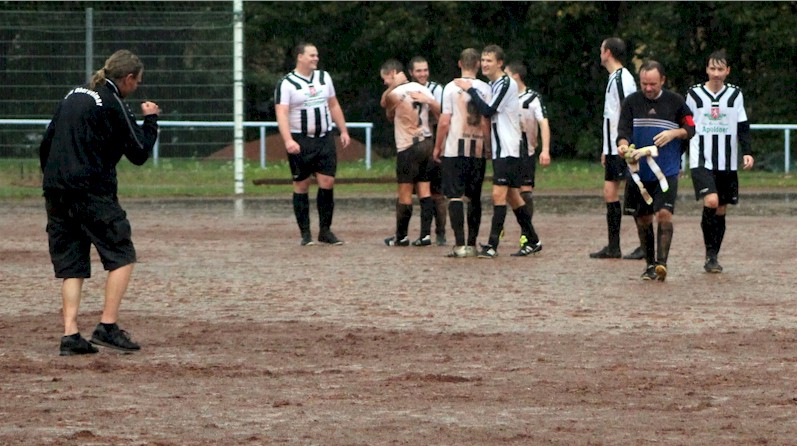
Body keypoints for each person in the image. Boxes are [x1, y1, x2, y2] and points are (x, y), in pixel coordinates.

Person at [38, 49, 160, 356]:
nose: (137, 86)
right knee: (122, 254)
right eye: (138, 81)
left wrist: (54, 178)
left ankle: (70, 335)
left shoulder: (73, 95)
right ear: (129, 78)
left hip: (56, 191)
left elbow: (46, 143)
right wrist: (151, 119)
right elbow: (139, 152)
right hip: (91, 192)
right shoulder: (112, 102)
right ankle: (107, 326)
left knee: (72, 264)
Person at [454, 45, 538, 258]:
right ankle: (534, 240)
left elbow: (488, 110)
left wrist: (469, 89)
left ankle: (492, 245)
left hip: (509, 147)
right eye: (482, 60)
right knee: (513, 197)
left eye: (489, 60)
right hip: (502, 148)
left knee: (498, 194)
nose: (484, 64)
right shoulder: (495, 84)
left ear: (500, 63)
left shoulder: (505, 83)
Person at [617, 60, 695, 281]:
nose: (648, 88)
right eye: (644, 84)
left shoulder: (676, 102)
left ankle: (662, 263)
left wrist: (674, 134)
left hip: (667, 171)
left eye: (652, 83)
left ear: (662, 80)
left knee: (663, 214)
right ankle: (650, 264)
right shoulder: (631, 102)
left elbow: (691, 128)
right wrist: (623, 147)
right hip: (638, 172)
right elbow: (623, 131)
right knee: (642, 219)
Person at [275, 42, 351, 246]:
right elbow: (281, 113)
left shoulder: (324, 77)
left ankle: (325, 231)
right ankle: (305, 233)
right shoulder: (287, 83)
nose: (316, 58)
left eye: (316, 55)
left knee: (327, 182)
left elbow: (333, 104)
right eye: (311, 55)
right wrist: (288, 140)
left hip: (324, 138)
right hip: (300, 139)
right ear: (300, 57)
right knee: (301, 184)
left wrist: (343, 130)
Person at [685, 50, 754, 273]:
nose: (716, 73)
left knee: (722, 209)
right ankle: (709, 253)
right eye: (712, 69)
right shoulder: (694, 94)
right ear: (706, 69)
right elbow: (686, 124)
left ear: (727, 71)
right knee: (711, 202)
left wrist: (748, 151)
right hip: (701, 158)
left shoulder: (735, 94)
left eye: (720, 69)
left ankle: (713, 256)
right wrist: (678, 154)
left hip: (727, 161)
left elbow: (742, 125)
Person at [433, 48, 492, 257]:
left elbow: (444, 120)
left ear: (460, 64)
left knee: (454, 196)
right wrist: (488, 145)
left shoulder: (449, 88)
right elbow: (486, 120)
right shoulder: (486, 88)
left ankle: (459, 245)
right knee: (474, 197)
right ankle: (472, 243)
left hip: (454, 148)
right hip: (476, 148)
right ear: (477, 64)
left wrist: (437, 146)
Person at [590, 37, 645, 260]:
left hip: (624, 147)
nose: (599, 53)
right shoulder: (614, 78)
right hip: (614, 148)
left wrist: (629, 144)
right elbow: (611, 117)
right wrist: (607, 148)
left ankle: (645, 243)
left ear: (608, 52)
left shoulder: (623, 79)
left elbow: (629, 112)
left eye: (601, 49)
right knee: (610, 193)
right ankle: (614, 247)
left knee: (634, 192)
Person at [380, 59, 440, 247]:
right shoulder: (422, 88)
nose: (384, 83)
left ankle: (401, 236)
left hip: (408, 146)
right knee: (424, 189)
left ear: (392, 74)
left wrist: (394, 86)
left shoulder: (396, 92)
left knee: (405, 192)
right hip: (426, 142)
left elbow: (385, 103)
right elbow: (438, 111)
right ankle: (425, 235)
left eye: (385, 79)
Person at [504, 62, 550, 255]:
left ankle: (527, 236)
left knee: (524, 191)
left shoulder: (532, 98)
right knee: (505, 191)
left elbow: (544, 123)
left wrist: (545, 150)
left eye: (506, 75)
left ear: (515, 77)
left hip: (525, 150)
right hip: (507, 149)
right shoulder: (504, 97)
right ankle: (499, 231)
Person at [409, 56, 448, 246]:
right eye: (418, 71)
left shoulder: (437, 89)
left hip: (433, 142)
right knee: (412, 189)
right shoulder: (405, 90)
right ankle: (407, 234)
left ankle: (440, 233)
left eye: (425, 70)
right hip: (412, 144)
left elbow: (443, 115)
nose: (423, 74)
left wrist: (429, 101)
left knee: (437, 192)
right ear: (411, 73)